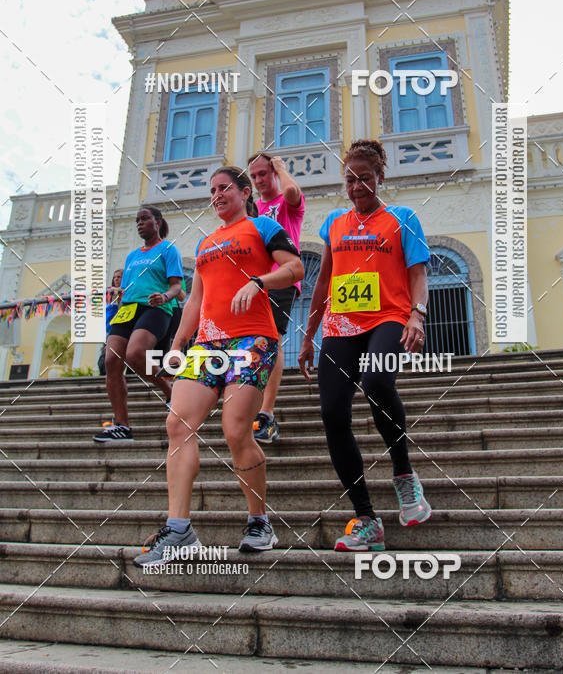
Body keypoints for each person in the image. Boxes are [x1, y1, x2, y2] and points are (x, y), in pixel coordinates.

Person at [133, 167, 303, 564]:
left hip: (253, 339)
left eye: (224, 187)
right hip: (208, 343)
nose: (217, 195)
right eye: (211, 190)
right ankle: (179, 531)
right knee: (177, 424)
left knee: (235, 430)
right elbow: (194, 301)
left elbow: (294, 269)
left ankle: (259, 521)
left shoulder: (262, 228)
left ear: (245, 192)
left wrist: (259, 281)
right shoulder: (207, 242)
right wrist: (176, 345)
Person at [298, 139, 432, 551]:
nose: (357, 186)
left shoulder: (402, 218)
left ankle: (405, 477)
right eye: (350, 179)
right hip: (340, 325)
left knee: (376, 382)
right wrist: (308, 334)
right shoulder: (335, 223)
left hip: (389, 316)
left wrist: (417, 315)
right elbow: (323, 281)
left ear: (380, 178)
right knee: (332, 414)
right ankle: (367, 519)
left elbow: (418, 273)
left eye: (365, 178)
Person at [93, 206, 183, 443]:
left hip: (155, 308)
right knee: (112, 361)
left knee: (135, 354)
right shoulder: (132, 256)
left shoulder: (167, 249)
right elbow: (127, 289)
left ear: (158, 222)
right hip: (127, 310)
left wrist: (164, 296)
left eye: (145, 219)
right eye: (137, 220)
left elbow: (176, 286)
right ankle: (122, 426)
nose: (140, 223)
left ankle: (171, 394)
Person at [248, 152, 305, 442]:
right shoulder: (254, 208)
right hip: (255, 282)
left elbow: (293, 191)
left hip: (282, 276)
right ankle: (252, 405)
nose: (259, 180)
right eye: (254, 176)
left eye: (263, 173)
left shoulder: (287, 202)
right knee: (254, 341)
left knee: (273, 338)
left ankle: (267, 413)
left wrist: (282, 168)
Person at [97, 268, 123, 377]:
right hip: (108, 330)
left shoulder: (125, 293)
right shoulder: (109, 293)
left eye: (119, 277)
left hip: (119, 329)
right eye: (114, 277)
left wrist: (119, 297)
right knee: (104, 357)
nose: (116, 279)